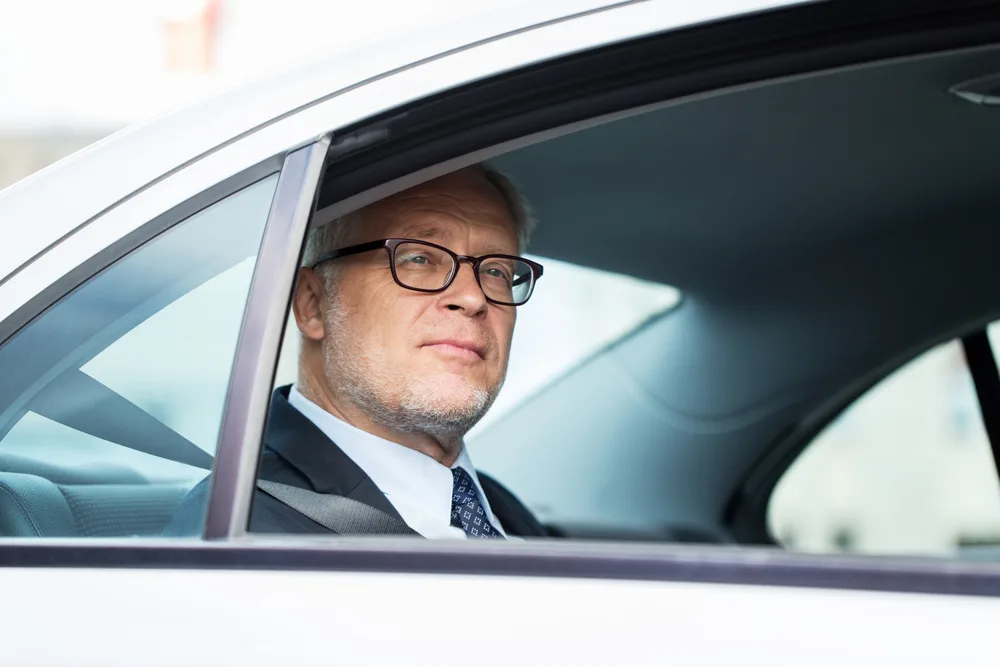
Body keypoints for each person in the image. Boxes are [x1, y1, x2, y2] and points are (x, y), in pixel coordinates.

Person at [165, 164, 546, 539]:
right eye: (418, 258)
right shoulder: (240, 533)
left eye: (496, 271)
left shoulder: (501, 508)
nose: (472, 296)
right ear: (313, 303)